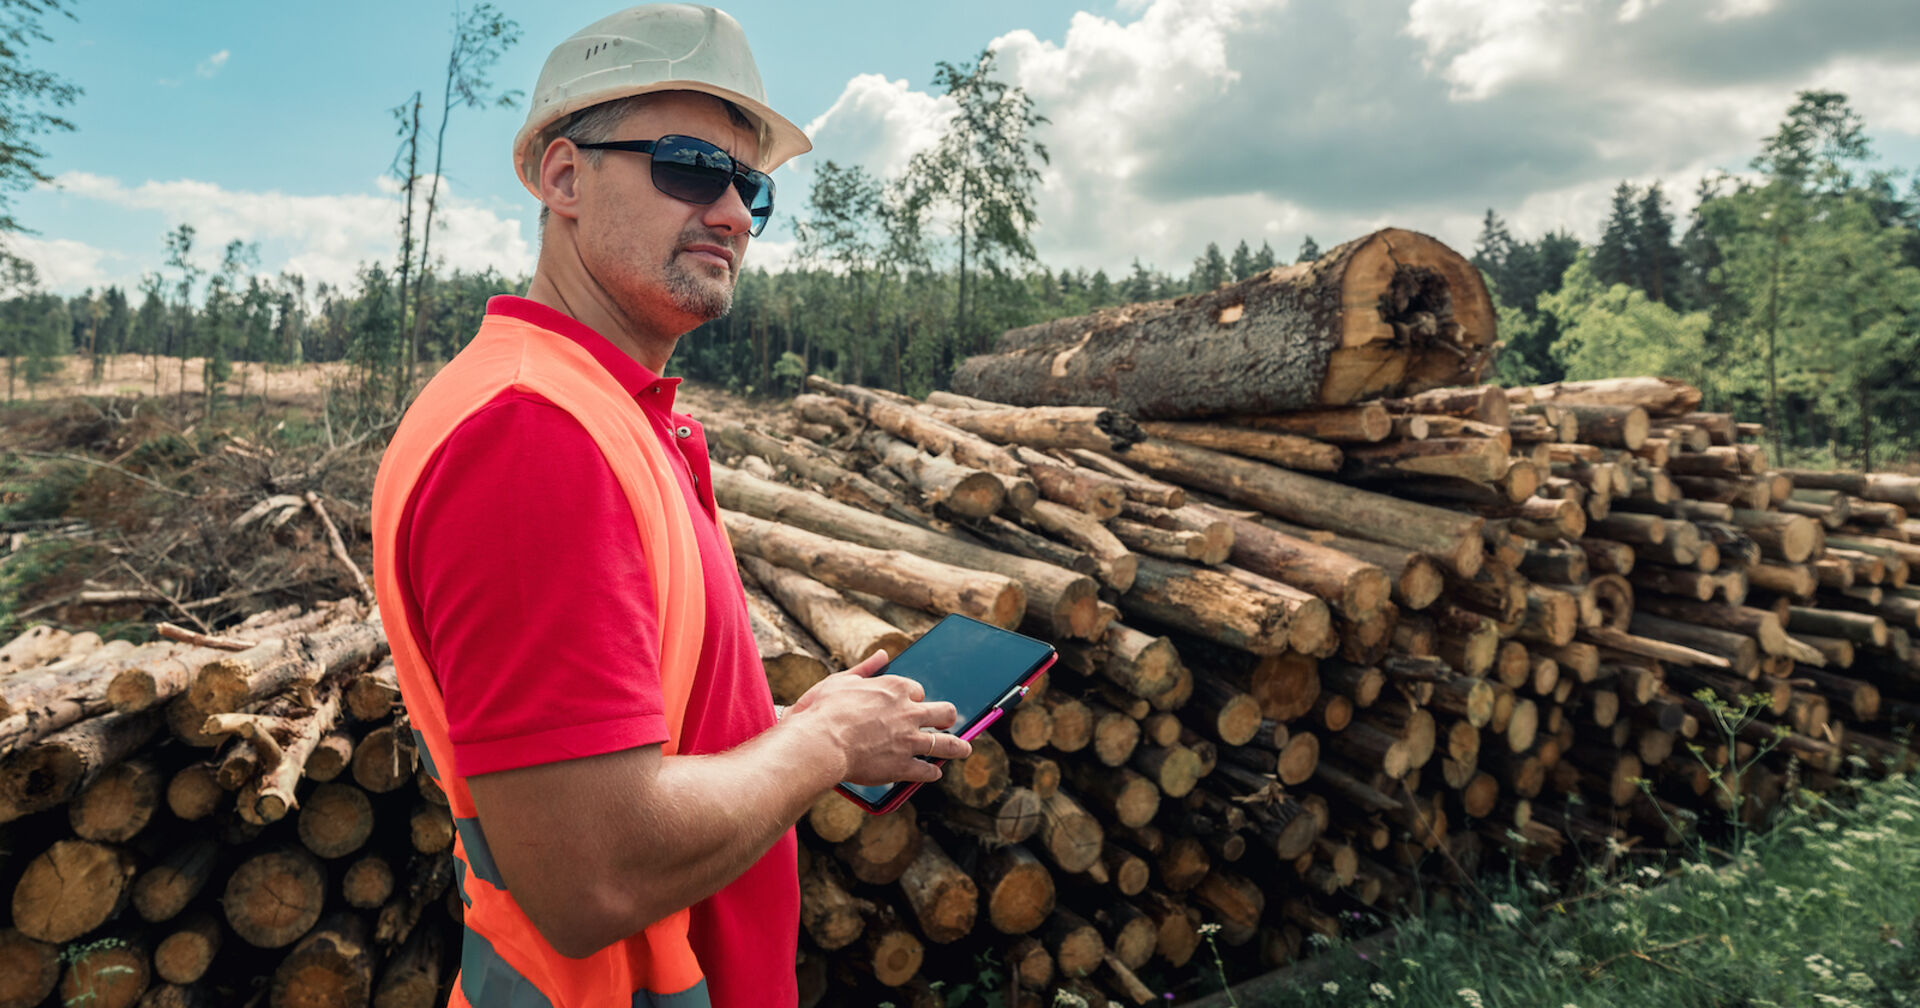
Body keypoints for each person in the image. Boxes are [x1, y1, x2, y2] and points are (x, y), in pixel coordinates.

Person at [369, 6, 971, 1006]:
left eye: (750, 185)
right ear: (564, 177)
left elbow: (633, 736)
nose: (733, 213)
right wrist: (820, 747)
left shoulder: (601, 410)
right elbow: (592, 866)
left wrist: (787, 722)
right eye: (692, 166)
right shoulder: (532, 433)